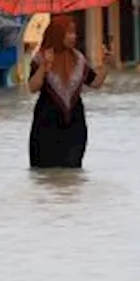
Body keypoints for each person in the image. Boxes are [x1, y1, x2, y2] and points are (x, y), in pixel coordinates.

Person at [27, 15, 106, 169]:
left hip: (74, 124)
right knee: (45, 170)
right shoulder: (40, 58)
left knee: (72, 170)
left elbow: (95, 83)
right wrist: (44, 67)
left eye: (74, 33)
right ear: (56, 34)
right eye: (68, 33)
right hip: (46, 124)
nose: (73, 37)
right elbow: (32, 87)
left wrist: (105, 66)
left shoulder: (78, 59)